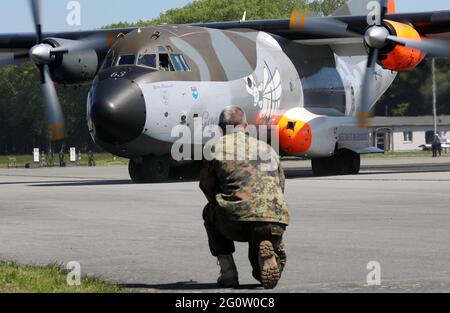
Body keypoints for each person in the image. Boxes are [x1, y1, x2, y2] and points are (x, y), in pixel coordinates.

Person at [199, 106, 290, 289]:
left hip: (234, 221)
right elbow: (280, 185)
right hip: (274, 219)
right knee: (259, 270)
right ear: (246, 126)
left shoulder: (215, 148)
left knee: (210, 212)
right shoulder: (268, 149)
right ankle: (271, 253)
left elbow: (206, 186)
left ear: (220, 129)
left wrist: (221, 200)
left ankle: (228, 273)